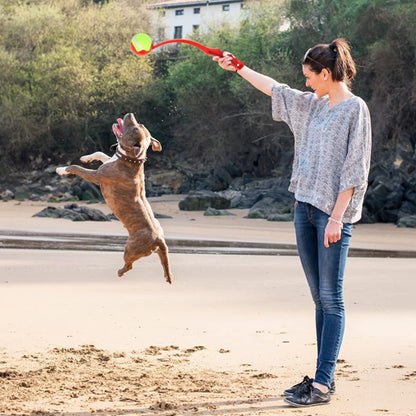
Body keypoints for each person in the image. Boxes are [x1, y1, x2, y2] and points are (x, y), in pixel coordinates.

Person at [214, 38, 372, 407]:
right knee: (319, 299)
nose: (305, 83)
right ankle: (324, 378)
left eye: (309, 76)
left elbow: (356, 169)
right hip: (304, 210)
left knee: (331, 299)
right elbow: (276, 89)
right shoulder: (311, 105)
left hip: (333, 217)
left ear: (327, 73)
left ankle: (320, 384)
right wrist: (239, 67)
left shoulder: (355, 110)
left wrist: (337, 217)